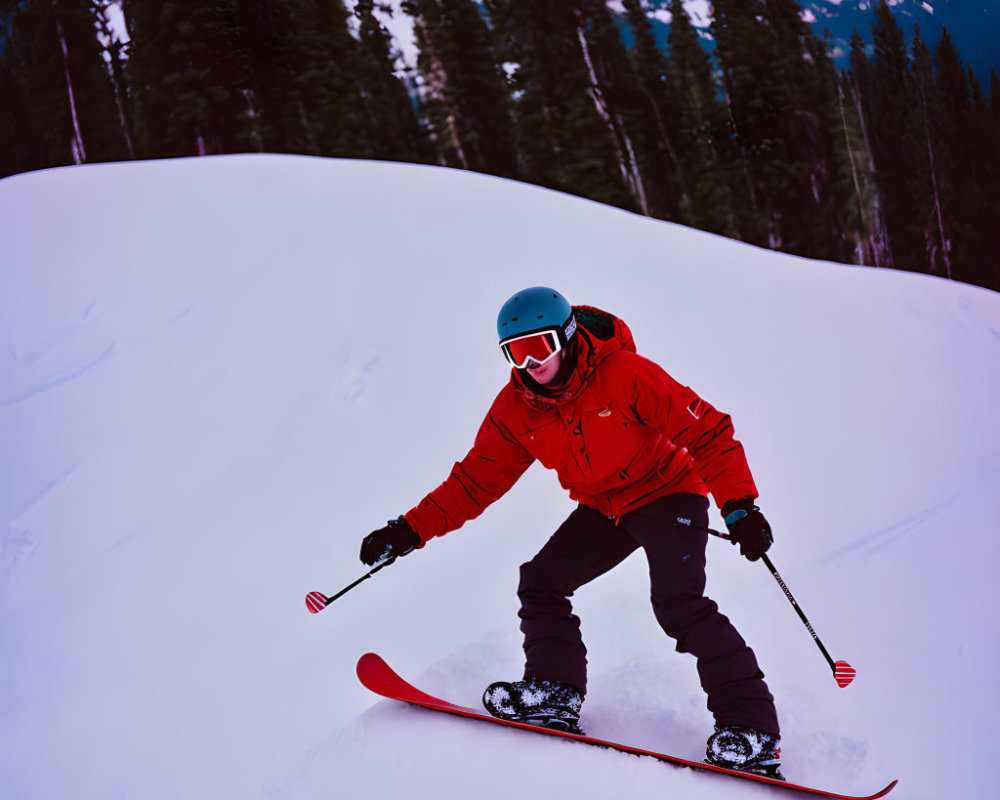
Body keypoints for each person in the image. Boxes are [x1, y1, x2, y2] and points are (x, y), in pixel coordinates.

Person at [359, 287, 782, 778]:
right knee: (541, 581)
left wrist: (740, 507)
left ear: (568, 337)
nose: (531, 363)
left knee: (678, 603)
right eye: (516, 353)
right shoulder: (515, 410)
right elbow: (475, 482)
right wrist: (409, 530)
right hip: (605, 505)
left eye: (540, 346)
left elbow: (708, 432)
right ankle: (554, 691)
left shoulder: (625, 375)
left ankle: (751, 731)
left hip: (667, 491)